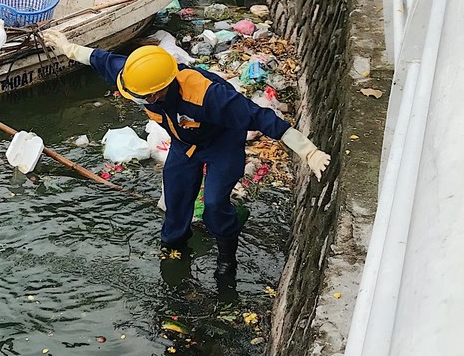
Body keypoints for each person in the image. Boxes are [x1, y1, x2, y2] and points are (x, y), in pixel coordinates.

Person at [43, 30, 330, 279]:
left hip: (221, 144)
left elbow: (262, 118)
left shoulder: (208, 96)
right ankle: (174, 245)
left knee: (216, 204)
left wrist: (308, 151)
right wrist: (68, 48)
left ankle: (227, 256)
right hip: (184, 144)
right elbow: (103, 60)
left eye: (142, 98)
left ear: (158, 91)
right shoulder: (140, 75)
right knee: (176, 199)